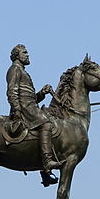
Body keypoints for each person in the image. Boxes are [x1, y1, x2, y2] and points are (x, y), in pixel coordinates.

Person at [6, 44, 60, 187]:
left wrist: (42, 92)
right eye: (25, 52)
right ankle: (47, 162)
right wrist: (17, 110)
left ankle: (44, 171)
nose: (28, 55)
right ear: (17, 55)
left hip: (30, 106)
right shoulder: (15, 70)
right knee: (46, 123)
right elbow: (12, 92)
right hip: (25, 109)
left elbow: (30, 97)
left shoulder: (23, 71)